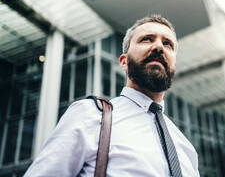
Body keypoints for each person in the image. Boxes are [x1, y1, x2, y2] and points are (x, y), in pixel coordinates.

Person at [24, 15, 200, 176]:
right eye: (147, 39)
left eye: (167, 44)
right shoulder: (91, 115)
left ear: (174, 64)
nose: (159, 47)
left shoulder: (186, 149)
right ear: (124, 62)